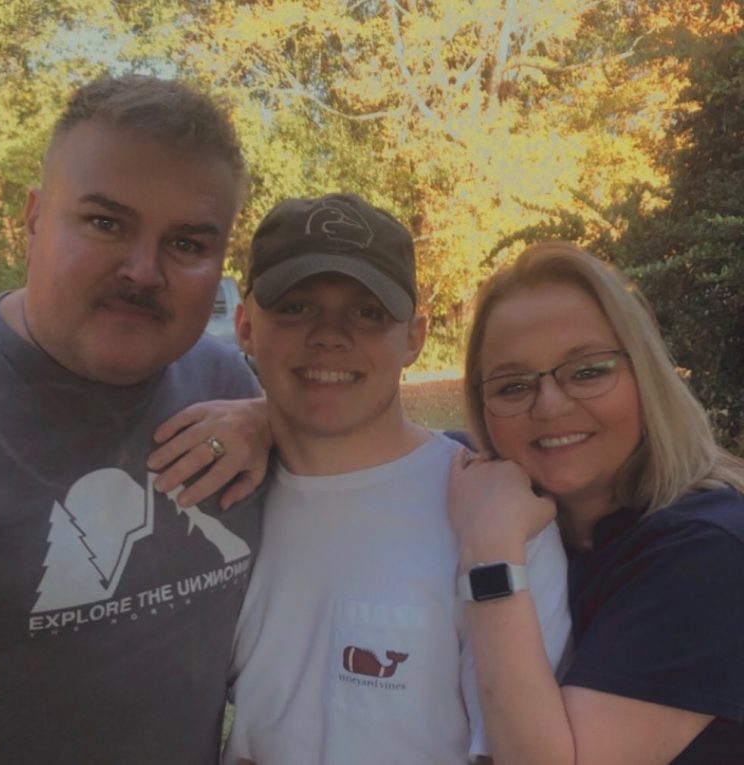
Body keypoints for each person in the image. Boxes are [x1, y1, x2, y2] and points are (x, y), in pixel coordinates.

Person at [154, 193, 571, 765]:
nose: (330, 334)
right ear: (246, 326)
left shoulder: (494, 516)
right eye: (297, 307)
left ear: (414, 338)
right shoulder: (216, 499)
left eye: (368, 312)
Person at [0, 74, 272, 765]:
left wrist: (275, 419)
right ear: (33, 219)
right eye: (106, 223)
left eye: (186, 244)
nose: (142, 271)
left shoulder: (226, 387)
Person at [449, 241, 744, 765]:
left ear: (645, 376)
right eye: (513, 386)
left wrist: (491, 552)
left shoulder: (709, 552)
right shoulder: (513, 493)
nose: (550, 406)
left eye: (588, 371)